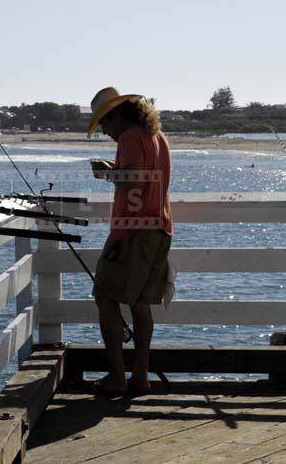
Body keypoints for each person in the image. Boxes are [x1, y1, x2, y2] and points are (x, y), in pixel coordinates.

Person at [87, 86, 173, 395]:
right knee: (139, 304)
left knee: (105, 296)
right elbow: (145, 176)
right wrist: (117, 169)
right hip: (159, 227)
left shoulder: (128, 137)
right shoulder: (157, 136)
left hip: (131, 231)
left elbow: (134, 179)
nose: (105, 133)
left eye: (105, 125)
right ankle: (140, 377)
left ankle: (116, 377)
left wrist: (105, 175)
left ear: (117, 116)